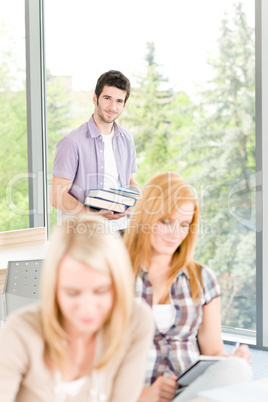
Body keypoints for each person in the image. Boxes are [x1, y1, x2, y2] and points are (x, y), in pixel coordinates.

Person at [124, 171, 253, 402]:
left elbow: (212, 351)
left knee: (238, 370)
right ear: (146, 217)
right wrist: (141, 395)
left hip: (188, 392)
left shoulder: (202, 279)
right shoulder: (114, 273)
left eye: (184, 224)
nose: (175, 234)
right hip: (133, 394)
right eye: (166, 221)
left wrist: (232, 360)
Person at [0, 214, 154, 402]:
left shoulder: (135, 321)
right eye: (72, 293)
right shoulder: (21, 332)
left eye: (101, 291)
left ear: (118, 284)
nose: (87, 308)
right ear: (54, 287)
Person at [50, 70, 140, 232]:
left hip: (122, 231)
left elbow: (131, 182)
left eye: (119, 101)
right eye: (107, 98)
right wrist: (91, 214)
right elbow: (57, 196)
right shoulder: (71, 142)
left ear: (124, 105)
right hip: (84, 235)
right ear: (95, 98)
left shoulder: (127, 138)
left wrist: (133, 200)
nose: (113, 107)